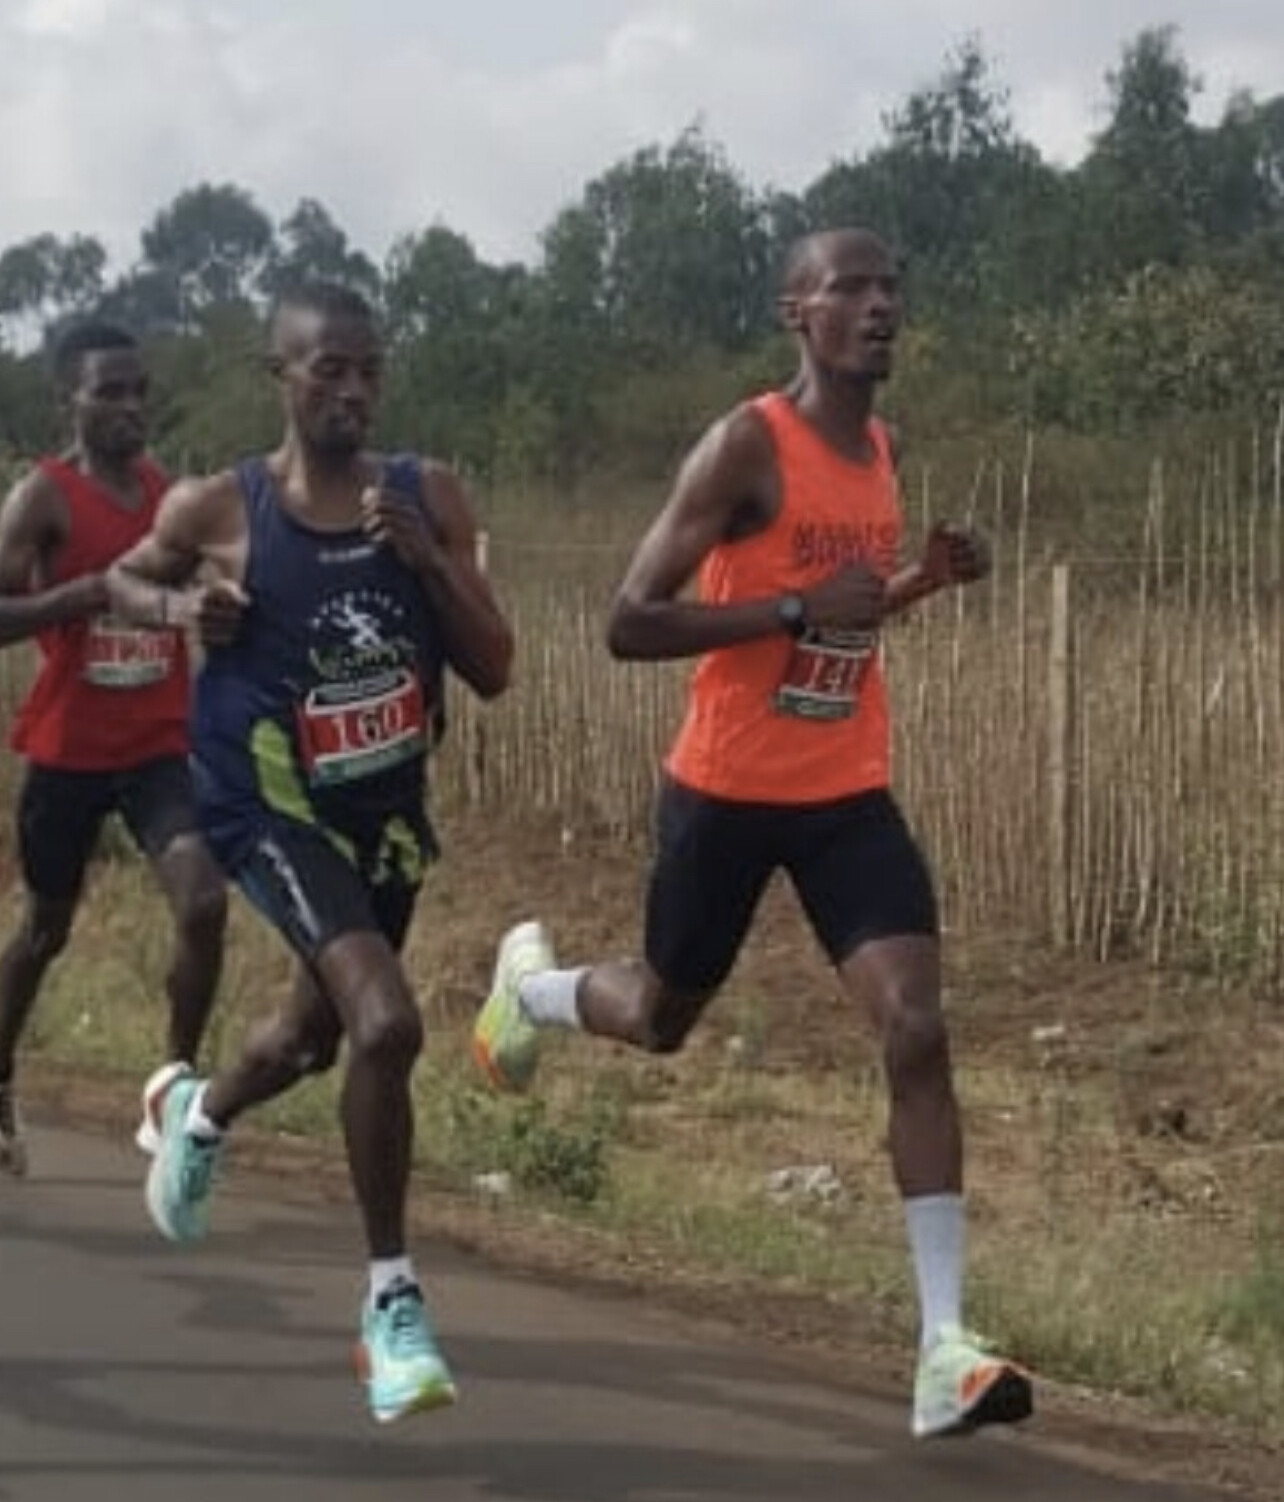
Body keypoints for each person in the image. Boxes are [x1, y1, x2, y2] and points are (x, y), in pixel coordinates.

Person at [474, 227, 1033, 1440]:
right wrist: (786, 603)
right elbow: (628, 621)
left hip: (845, 789)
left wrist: (922, 581)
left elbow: (843, 616)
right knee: (661, 1016)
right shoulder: (747, 445)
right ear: (797, 311)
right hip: (724, 790)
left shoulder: (881, 448)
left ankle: (943, 1345)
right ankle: (535, 991)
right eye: (851, 288)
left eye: (892, 287)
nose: (879, 305)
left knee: (917, 1023)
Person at [105, 281, 514, 1425]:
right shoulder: (220, 506)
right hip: (267, 806)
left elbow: (494, 667)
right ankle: (392, 1307)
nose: (351, 389)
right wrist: (182, 614)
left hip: (383, 812)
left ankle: (201, 1114)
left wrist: (430, 564)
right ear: (277, 374)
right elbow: (125, 580)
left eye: (368, 369)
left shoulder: (426, 494)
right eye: (327, 367)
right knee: (387, 1020)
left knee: (314, 1038)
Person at [0, 321, 228, 1178]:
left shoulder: (173, 500)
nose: (131, 407)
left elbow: (198, 597)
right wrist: (86, 595)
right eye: (110, 392)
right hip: (66, 751)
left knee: (203, 902)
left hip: (157, 747)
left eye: (140, 391)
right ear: (70, 398)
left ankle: (174, 1095)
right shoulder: (43, 497)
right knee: (44, 929)